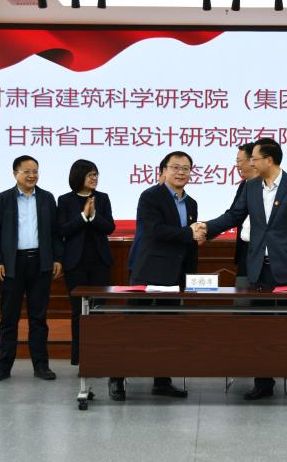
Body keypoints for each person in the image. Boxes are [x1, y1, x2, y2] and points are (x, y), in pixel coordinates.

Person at [197, 138, 287, 400]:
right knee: (260, 326)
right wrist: (207, 227)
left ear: (269, 160)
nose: (250, 163)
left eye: (254, 158)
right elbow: (233, 216)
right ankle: (263, 382)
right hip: (257, 268)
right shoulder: (250, 186)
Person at [109, 151, 199, 401]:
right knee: (133, 329)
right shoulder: (150, 196)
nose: (181, 172)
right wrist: (189, 233)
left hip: (175, 276)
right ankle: (117, 378)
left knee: (167, 330)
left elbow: (190, 243)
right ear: (163, 171)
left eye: (186, 168)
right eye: (176, 167)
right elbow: (155, 230)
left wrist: (191, 277)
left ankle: (162, 381)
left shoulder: (191, 203)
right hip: (148, 272)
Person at [0, 155, 63, 382]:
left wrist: (57, 258)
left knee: (38, 318)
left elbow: (55, 233)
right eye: (27, 171)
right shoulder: (2, 199)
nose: (32, 176)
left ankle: (41, 365)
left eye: (35, 171)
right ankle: (3, 367)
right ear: (15, 173)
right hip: (13, 264)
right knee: (9, 318)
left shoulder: (47, 198)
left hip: (40, 263)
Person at [57, 159, 115, 366]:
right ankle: (80, 357)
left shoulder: (103, 198)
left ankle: (97, 356)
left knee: (98, 309)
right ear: (79, 176)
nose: (94, 178)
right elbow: (62, 229)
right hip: (75, 264)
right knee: (78, 311)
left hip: (100, 262)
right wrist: (83, 216)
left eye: (96, 175)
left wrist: (93, 216)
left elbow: (109, 227)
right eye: (91, 175)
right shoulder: (65, 200)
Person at [233, 142, 258, 287]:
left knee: (264, 298)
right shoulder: (244, 184)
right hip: (245, 252)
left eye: (239, 161)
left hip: (268, 258)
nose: (237, 166)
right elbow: (234, 214)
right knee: (242, 296)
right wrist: (207, 229)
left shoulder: (274, 187)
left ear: (252, 161)